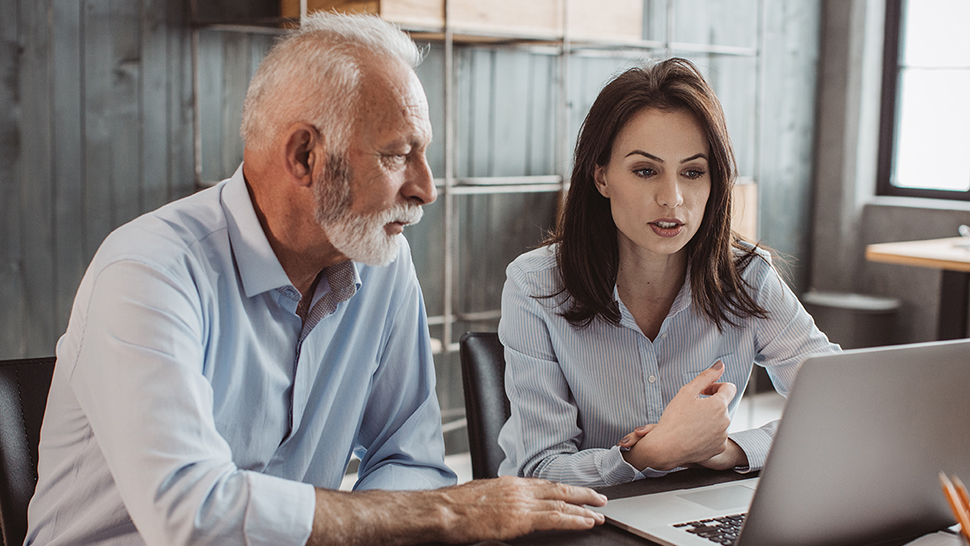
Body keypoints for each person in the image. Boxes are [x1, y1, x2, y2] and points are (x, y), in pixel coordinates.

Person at [25, 12, 607, 546]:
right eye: (397, 155)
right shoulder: (147, 269)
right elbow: (193, 516)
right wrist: (451, 513)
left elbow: (410, 458)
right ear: (305, 155)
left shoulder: (384, 261)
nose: (425, 188)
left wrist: (403, 515)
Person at [496, 58, 841, 487]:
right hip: (582, 523)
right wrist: (649, 454)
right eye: (645, 171)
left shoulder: (746, 275)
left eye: (693, 172)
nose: (673, 199)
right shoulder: (536, 285)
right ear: (601, 176)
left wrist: (730, 450)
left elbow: (841, 407)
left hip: (688, 512)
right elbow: (539, 471)